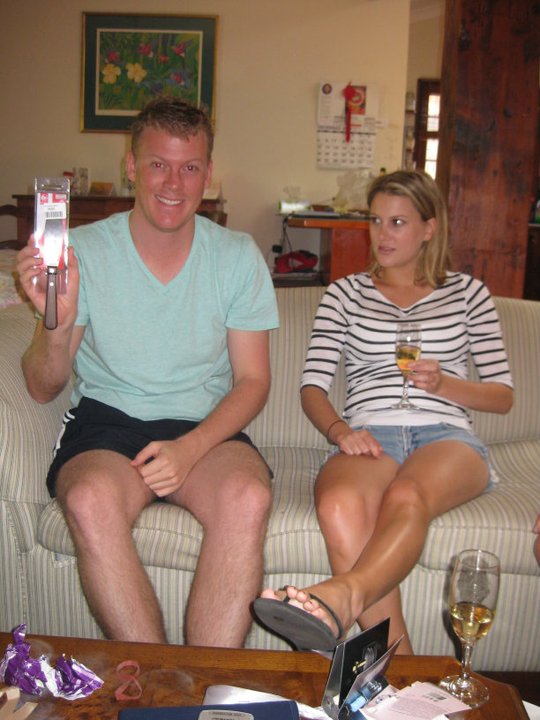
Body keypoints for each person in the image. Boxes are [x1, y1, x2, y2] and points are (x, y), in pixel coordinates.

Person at [17, 97, 279, 647]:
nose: (174, 184)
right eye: (159, 163)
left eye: (190, 167)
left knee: (248, 498)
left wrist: (190, 448)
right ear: (131, 165)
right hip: (108, 423)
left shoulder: (237, 255)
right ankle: (158, 681)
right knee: (88, 499)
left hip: (203, 427)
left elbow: (253, 381)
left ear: (208, 173)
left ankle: (207, 683)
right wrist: (55, 321)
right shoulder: (82, 251)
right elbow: (43, 386)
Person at [253, 169, 513, 653]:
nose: (382, 234)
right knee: (338, 503)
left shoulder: (468, 293)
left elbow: (503, 396)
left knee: (407, 493)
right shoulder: (345, 293)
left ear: (429, 228)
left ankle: (343, 597)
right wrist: (340, 431)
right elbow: (312, 387)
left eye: (397, 222)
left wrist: (446, 384)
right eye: (376, 221)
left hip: (446, 435)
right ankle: (401, 670)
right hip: (371, 431)